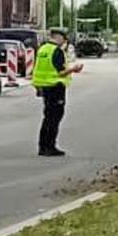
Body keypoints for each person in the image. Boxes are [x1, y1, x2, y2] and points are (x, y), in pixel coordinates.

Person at [31, 28, 84, 156]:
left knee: (47, 117)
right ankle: (50, 146)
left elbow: (39, 68)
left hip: (44, 86)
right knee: (54, 118)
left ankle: (42, 146)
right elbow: (60, 71)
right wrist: (73, 69)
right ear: (59, 37)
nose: (64, 42)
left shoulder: (43, 49)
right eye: (64, 39)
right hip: (55, 87)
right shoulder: (57, 51)